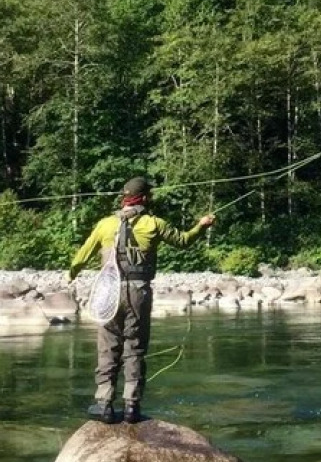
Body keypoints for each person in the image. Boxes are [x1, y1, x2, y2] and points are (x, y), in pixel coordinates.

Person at [68, 177, 216, 423]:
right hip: (138, 293)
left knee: (108, 347)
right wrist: (201, 225)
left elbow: (81, 256)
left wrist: (70, 274)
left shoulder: (105, 224)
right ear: (145, 198)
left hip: (109, 291)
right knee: (134, 348)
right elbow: (183, 241)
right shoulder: (154, 223)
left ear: (124, 199)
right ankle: (131, 407)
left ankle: (104, 404)